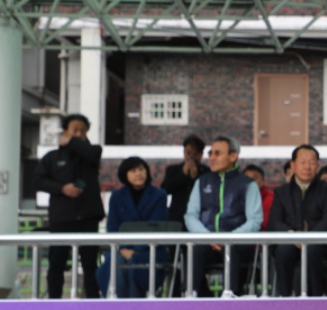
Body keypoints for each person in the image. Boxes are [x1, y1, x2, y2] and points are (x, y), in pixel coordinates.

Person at [33, 113, 104, 299]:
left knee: (90, 264)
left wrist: (71, 141)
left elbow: (92, 152)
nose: (79, 133)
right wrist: (61, 188)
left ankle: (92, 302)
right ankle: (54, 302)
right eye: (75, 129)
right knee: (56, 263)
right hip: (62, 219)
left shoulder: (91, 153)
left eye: (82, 130)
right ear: (65, 131)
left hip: (88, 218)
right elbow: (38, 180)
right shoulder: (52, 157)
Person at [184, 136, 262, 297]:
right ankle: (192, 296)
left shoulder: (248, 184)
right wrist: (208, 238)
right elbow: (191, 216)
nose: (211, 158)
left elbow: (255, 220)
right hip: (206, 241)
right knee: (193, 249)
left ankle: (230, 296)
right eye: (211, 153)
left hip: (236, 243)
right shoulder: (202, 181)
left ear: (233, 156)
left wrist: (229, 238)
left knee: (230, 250)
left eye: (217, 154)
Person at [268, 145, 327, 296]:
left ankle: (316, 298)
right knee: (282, 251)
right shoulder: (282, 192)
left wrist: (310, 237)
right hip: (291, 240)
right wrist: (291, 235)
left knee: (312, 250)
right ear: (293, 165)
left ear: (317, 166)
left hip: (320, 242)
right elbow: (275, 220)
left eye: (312, 162)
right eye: (303, 162)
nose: (307, 167)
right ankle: (285, 297)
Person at [96, 157, 169, 297]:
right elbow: (112, 228)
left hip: (151, 250)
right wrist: (123, 249)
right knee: (115, 260)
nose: (138, 173)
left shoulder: (159, 195)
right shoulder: (117, 197)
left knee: (131, 261)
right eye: (133, 170)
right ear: (125, 175)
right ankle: (120, 306)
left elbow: (156, 227)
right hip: (122, 250)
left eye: (141, 169)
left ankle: (128, 307)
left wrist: (135, 251)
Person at [161, 134, 209, 225]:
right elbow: (165, 189)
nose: (191, 157)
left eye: (195, 154)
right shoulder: (173, 170)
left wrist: (195, 178)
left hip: (200, 218)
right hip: (177, 217)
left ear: (201, 154)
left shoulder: (207, 172)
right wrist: (183, 174)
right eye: (188, 153)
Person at [242, 164, 274, 231]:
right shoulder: (236, 199)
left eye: (254, 178)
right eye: (246, 178)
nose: (250, 182)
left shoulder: (273, 199)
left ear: (263, 181)